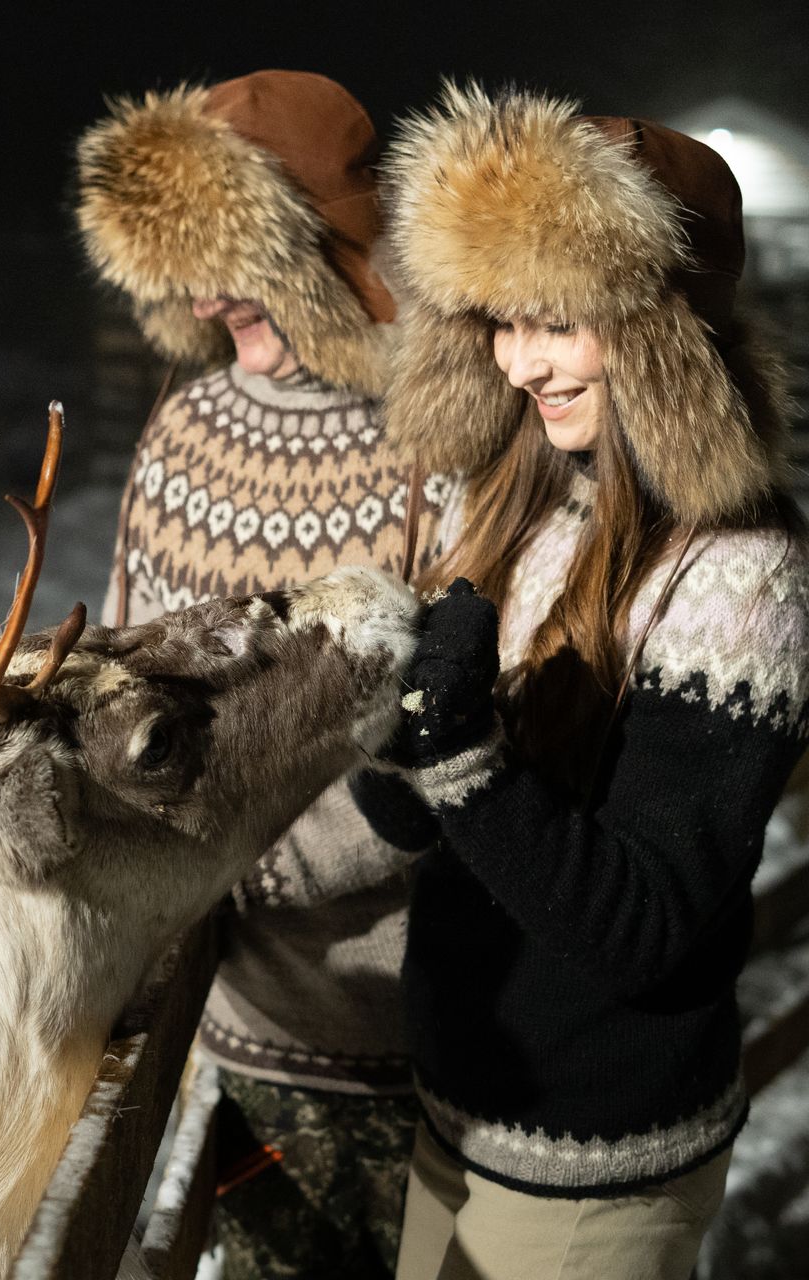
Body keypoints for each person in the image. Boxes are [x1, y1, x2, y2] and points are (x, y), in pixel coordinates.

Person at [360, 83, 809, 1280]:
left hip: (597, 1160)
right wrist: (386, 722)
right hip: (457, 1102)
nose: (522, 363)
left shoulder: (741, 575)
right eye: (500, 321)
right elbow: (428, 825)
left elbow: (645, 922)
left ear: (664, 328)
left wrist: (462, 748)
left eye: (558, 320)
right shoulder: (515, 503)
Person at [76, 69, 439, 1278]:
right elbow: (120, 680)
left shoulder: (437, 439)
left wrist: (235, 854)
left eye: (234, 249)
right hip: (231, 1013)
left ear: (326, 247)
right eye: (181, 255)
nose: (204, 288)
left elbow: (452, 724)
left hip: (417, 1019)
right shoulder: (181, 431)